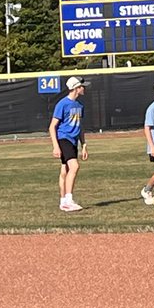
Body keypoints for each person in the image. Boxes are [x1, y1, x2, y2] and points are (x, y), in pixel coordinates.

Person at [49, 76, 88, 212]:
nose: (84, 88)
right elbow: (52, 126)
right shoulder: (62, 104)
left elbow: (80, 126)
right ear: (76, 88)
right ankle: (69, 200)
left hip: (73, 140)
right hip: (63, 138)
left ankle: (63, 202)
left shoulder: (79, 106)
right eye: (82, 86)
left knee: (65, 170)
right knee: (74, 166)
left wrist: (83, 145)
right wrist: (55, 146)